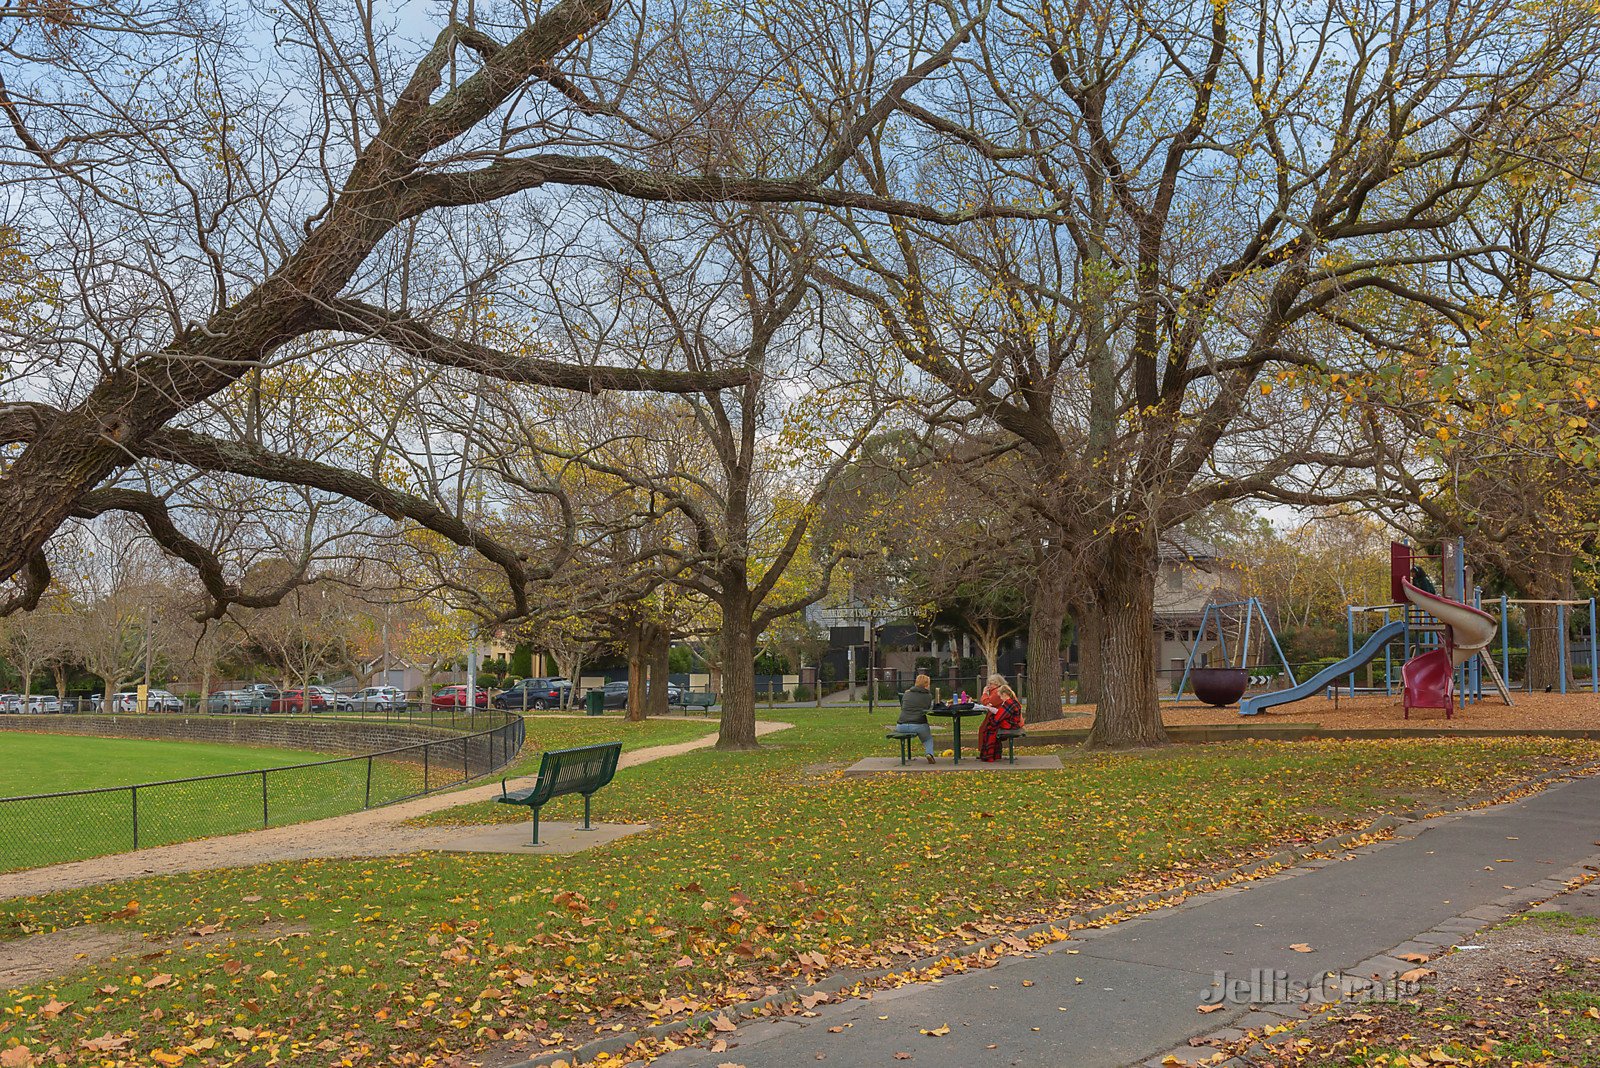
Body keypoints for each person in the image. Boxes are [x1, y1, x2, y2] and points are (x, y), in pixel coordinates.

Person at [978, 673, 1023, 762]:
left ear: (997, 684)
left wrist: (984, 693)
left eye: (991, 683)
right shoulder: (1002, 692)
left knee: (987, 729)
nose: (988, 685)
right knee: (987, 727)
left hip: (1010, 722)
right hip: (1008, 720)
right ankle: (992, 754)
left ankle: (988, 754)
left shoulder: (999, 692)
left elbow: (987, 702)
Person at [894, 674, 937, 763]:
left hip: (901, 725)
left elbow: (903, 706)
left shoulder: (907, 693)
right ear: (926, 685)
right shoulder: (928, 696)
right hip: (918, 723)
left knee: (911, 731)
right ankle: (929, 753)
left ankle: (907, 757)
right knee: (927, 739)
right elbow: (927, 708)